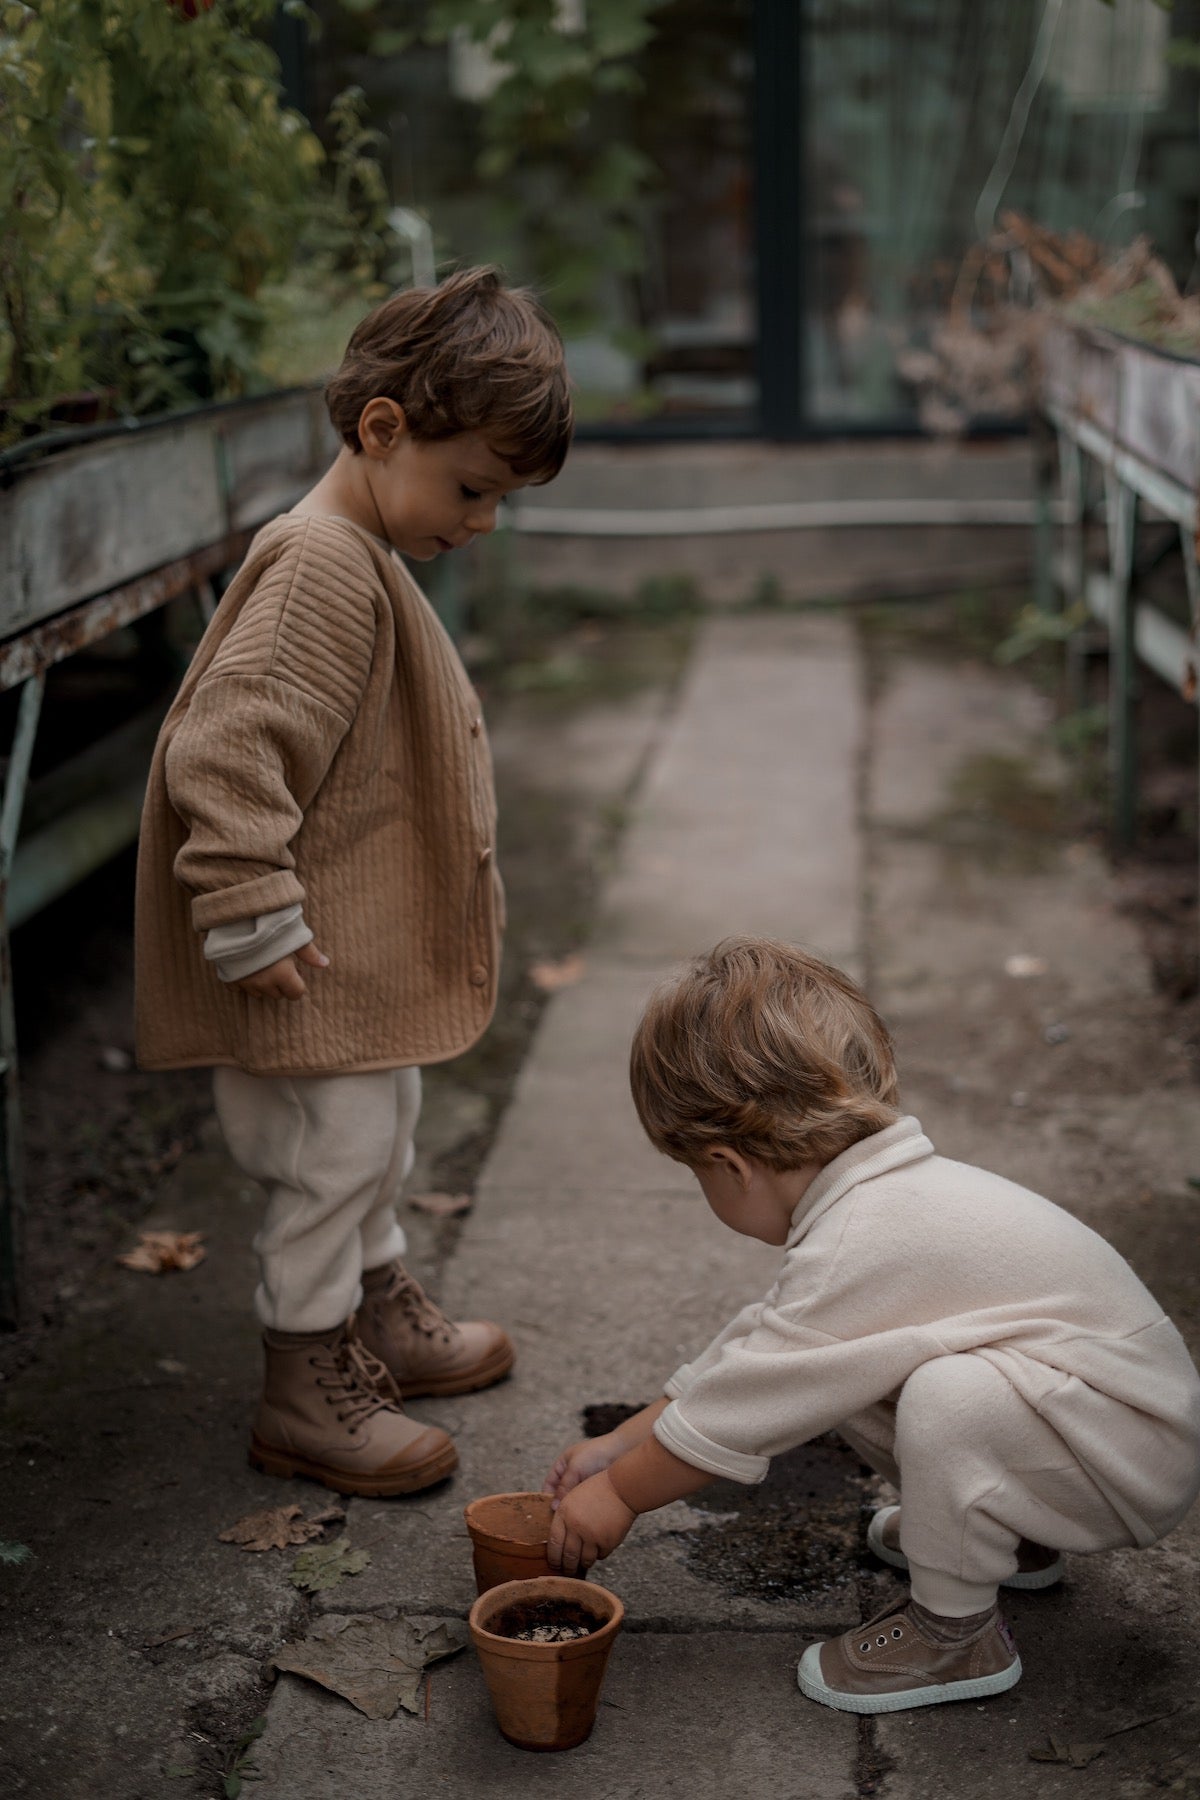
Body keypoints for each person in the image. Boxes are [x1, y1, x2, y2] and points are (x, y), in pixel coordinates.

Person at [135, 268, 573, 1499]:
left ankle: (375, 1315)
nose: (483, 520)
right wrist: (245, 905)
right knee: (331, 1160)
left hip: (350, 954)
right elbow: (227, 745)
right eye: (474, 487)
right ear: (383, 430)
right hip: (302, 958)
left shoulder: (361, 549)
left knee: (377, 1141)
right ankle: (303, 1383)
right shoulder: (323, 566)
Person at [542, 937, 1200, 1713]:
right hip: (1100, 1428)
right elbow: (765, 1356)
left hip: (1129, 1456)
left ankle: (956, 1636)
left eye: (697, 1176)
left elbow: (742, 1413)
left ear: (731, 1165)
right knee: (847, 1373)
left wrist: (620, 1492)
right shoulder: (874, 1207)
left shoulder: (864, 1239)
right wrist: (626, 1439)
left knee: (948, 1395)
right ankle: (1004, 1537)